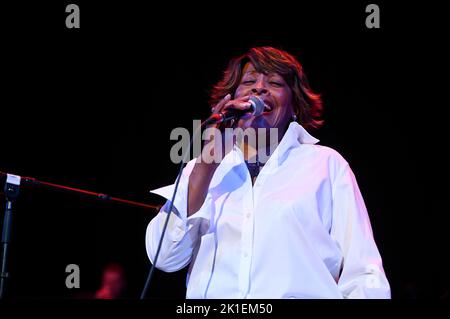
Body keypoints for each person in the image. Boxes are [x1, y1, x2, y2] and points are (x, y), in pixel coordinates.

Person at [145, 47, 390, 298]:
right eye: (249, 81)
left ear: (295, 104)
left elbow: (363, 271)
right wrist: (207, 164)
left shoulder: (326, 165)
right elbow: (164, 257)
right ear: (231, 98)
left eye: (274, 82)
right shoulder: (202, 169)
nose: (259, 88)